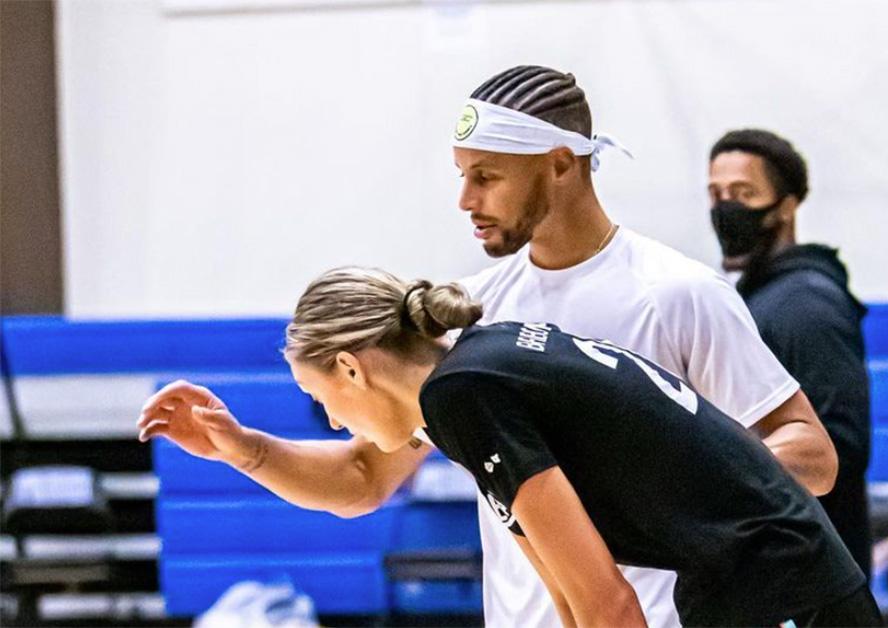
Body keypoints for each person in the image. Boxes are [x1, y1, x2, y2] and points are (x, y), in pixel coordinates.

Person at [139, 65, 838, 627]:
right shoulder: (471, 310)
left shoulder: (678, 292)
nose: (465, 200)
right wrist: (246, 450)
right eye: (461, 174)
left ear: (561, 165)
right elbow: (365, 477)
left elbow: (811, 452)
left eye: (487, 176)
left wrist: (645, 483)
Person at [140, 267, 883, 627]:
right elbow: (565, 585)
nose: (335, 423)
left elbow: (607, 602)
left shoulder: (465, 396)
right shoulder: (476, 367)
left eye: (324, 401)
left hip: (778, 589)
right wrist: (242, 449)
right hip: (759, 577)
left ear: (350, 367)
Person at [708, 129, 874, 577]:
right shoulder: (757, 296)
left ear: (786, 205)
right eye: (717, 193)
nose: (727, 207)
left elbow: (843, 444)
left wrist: (714, 466)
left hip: (807, 562)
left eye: (743, 193)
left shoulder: (805, 305)